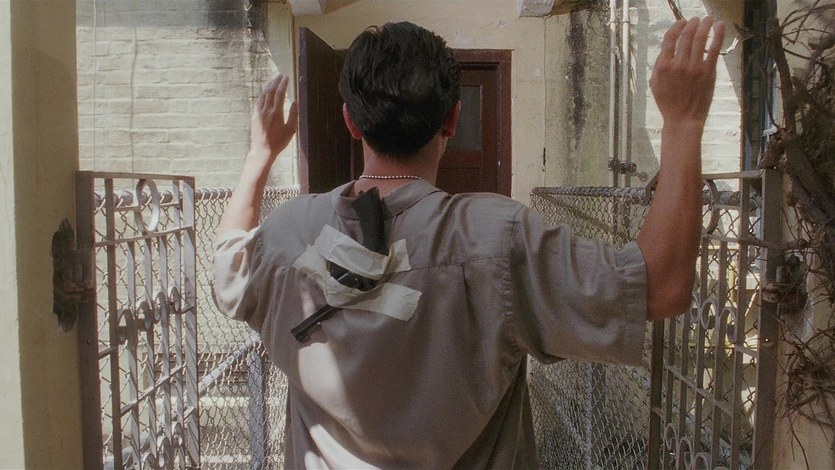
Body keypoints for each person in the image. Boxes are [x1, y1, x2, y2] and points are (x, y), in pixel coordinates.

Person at [212, 17, 725, 468]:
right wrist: (682, 123)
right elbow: (661, 286)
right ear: (453, 119)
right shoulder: (496, 238)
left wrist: (261, 155)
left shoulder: (288, 231)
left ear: (350, 121)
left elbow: (227, 268)